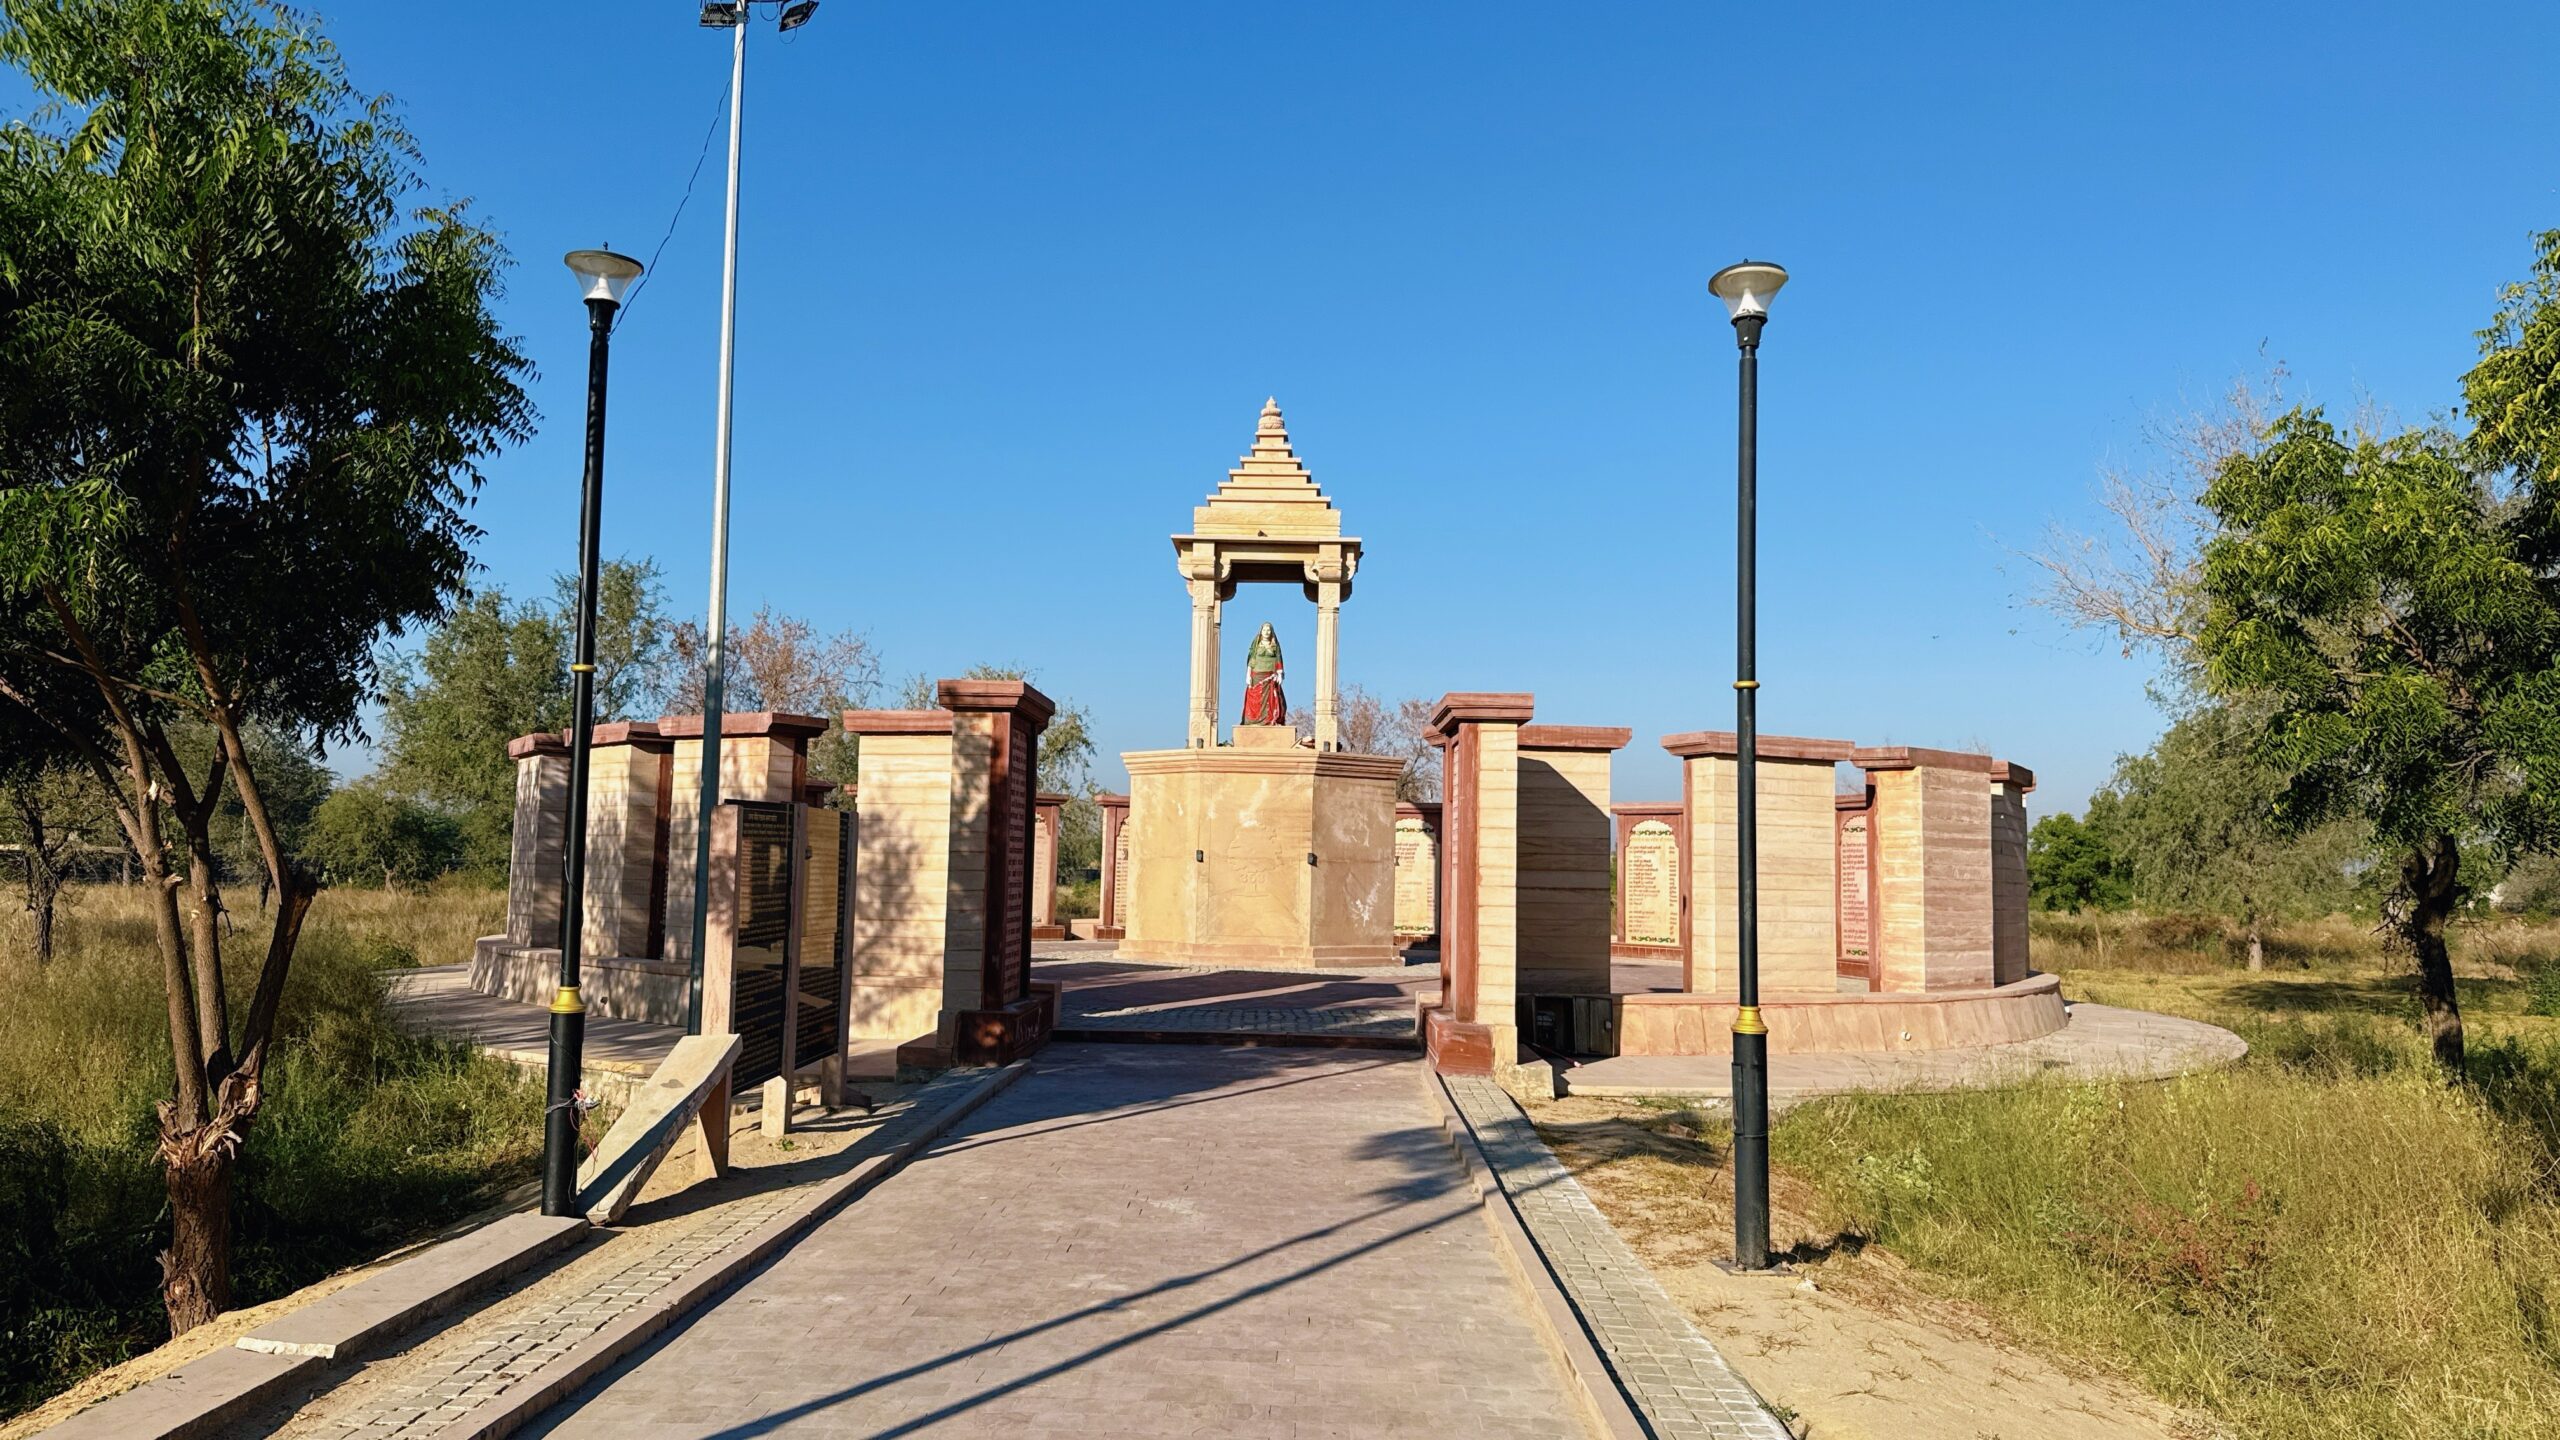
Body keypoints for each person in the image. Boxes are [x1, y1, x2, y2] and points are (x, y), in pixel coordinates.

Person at [1240, 622, 1287, 726]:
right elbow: (1251, 659)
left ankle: (1270, 721)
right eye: (1264, 630)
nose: (1266, 632)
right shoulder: (1256, 643)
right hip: (1256, 675)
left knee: (1273, 701)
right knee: (1255, 700)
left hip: (1270, 677)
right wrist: (1248, 675)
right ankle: (1253, 721)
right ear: (1261, 631)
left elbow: (1278, 658)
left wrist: (1280, 673)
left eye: (1268, 630)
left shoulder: (1275, 645)